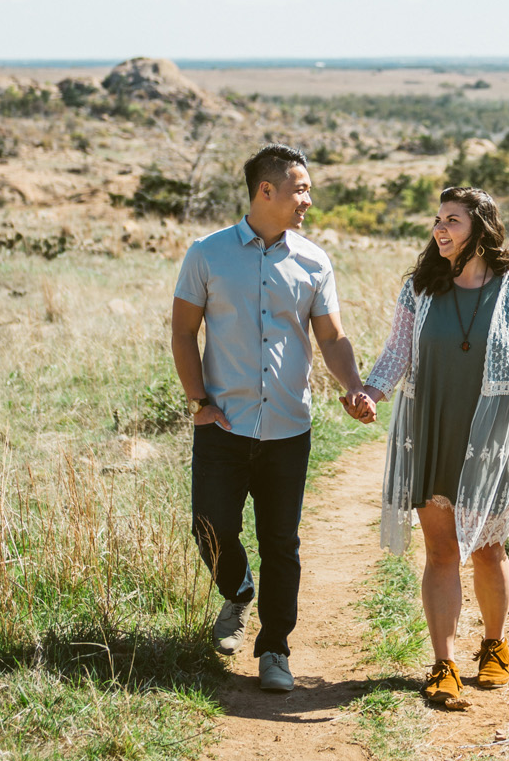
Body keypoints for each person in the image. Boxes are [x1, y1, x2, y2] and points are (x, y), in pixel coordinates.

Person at [170, 144, 374, 694]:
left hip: (288, 428)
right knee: (210, 527)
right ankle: (237, 592)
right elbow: (183, 331)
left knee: (281, 542)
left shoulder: (314, 261)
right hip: (224, 426)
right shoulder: (206, 255)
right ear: (266, 191)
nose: (308, 199)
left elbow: (330, 337)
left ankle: (275, 648)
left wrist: (354, 388)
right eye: (300, 188)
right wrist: (199, 402)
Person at [356, 186, 509, 711]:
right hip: (433, 427)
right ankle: (444, 664)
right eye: (438, 220)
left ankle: (494, 644)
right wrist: (369, 391)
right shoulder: (418, 288)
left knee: (488, 547)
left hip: (492, 437)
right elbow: (397, 351)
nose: (440, 230)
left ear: (481, 228)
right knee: (441, 550)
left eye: (453, 220)